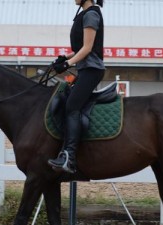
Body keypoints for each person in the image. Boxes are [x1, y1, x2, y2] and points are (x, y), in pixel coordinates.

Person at [48, 0, 105, 173]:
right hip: (85, 68)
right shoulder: (84, 14)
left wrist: (68, 64)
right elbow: (82, 47)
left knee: (72, 107)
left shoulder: (91, 14)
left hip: (92, 70)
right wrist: (65, 57)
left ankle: (69, 157)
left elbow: (88, 48)